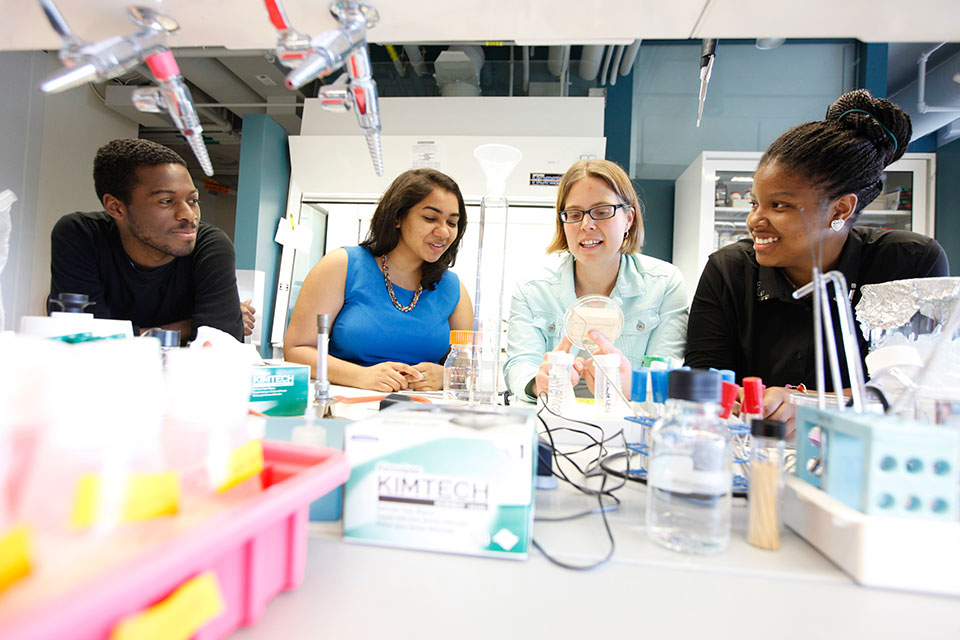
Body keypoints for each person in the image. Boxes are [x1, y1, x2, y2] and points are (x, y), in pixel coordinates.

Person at [684, 89, 949, 427]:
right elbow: (704, 379)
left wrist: (807, 405)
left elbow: (918, 391)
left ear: (841, 208)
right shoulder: (729, 269)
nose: (754, 220)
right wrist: (735, 398)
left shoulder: (909, 264)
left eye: (779, 205)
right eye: (755, 203)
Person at [504, 159, 688, 402]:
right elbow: (519, 364)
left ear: (629, 219)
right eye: (574, 213)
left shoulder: (664, 283)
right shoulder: (532, 288)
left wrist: (632, 384)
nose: (586, 225)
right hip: (549, 424)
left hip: (629, 426)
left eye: (602, 212)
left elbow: (668, 372)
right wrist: (538, 383)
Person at [284, 169, 473, 392]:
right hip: (347, 408)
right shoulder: (342, 265)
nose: (443, 232)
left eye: (452, 223)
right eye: (430, 218)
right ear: (397, 217)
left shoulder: (453, 289)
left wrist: (447, 376)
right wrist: (360, 376)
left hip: (421, 415)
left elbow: (469, 367)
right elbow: (296, 349)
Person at [48, 138, 247, 342]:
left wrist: (129, 334)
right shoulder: (81, 235)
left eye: (192, 200)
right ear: (116, 207)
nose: (189, 215)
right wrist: (190, 326)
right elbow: (80, 338)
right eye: (166, 202)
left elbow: (220, 343)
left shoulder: (210, 246)